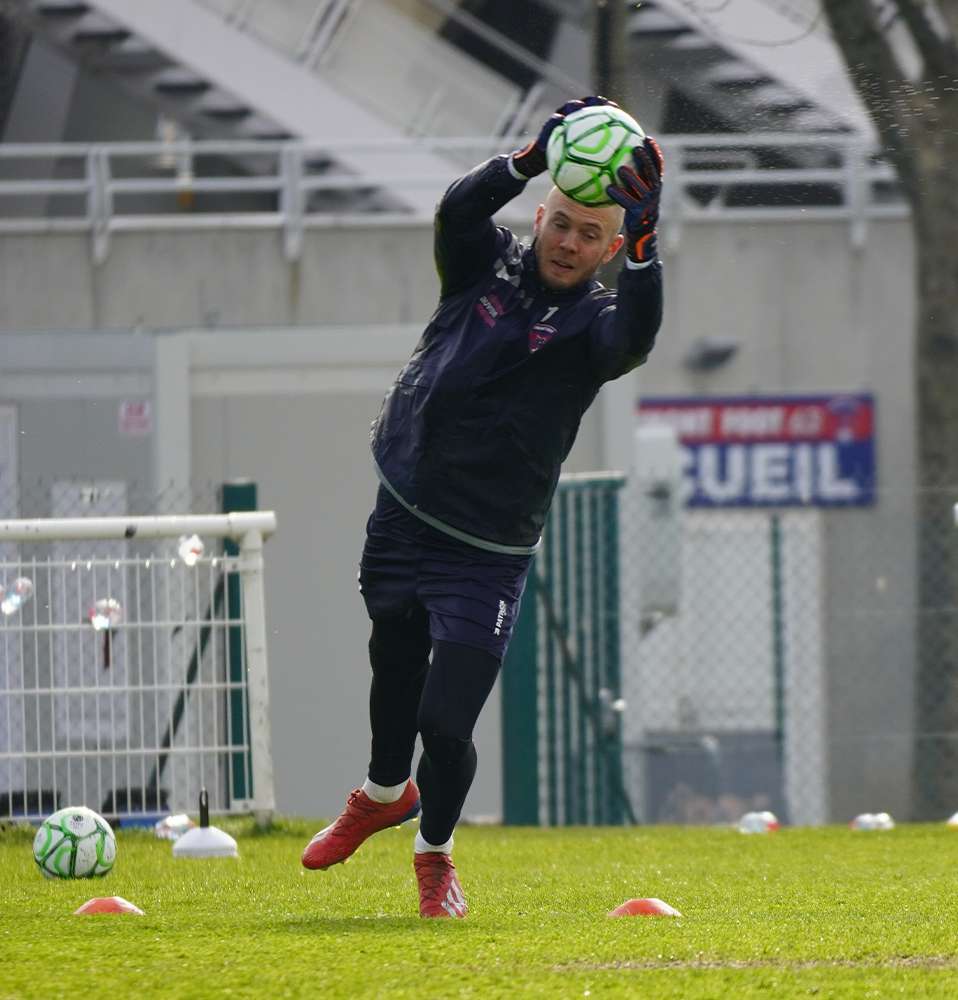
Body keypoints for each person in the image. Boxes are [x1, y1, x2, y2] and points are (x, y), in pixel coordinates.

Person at [301, 97, 664, 918]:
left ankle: (435, 857)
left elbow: (639, 338)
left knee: (447, 720)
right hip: (404, 506)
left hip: (486, 549)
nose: (570, 243)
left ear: (609, 249)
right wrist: (531, 153)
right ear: (542, 215)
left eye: (591, 235)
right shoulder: (482, 264)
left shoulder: (598, 324)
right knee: (391, 654)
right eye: (562, 224)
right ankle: (380, 793)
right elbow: (454, 210)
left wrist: (647, 239)